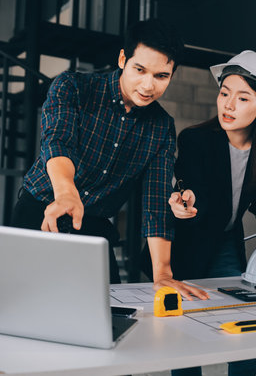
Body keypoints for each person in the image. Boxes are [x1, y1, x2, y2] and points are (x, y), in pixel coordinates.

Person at [11, 18, 208, 300]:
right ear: (122, 59)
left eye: (161, 76)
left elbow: (154, 202)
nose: (148, 85)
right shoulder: (73, 87)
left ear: (172, 75)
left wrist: (162, 273)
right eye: (139, 70)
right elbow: (58, 141)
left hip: (94, 227)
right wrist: (66, 194)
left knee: (108, 311)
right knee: (20, 304)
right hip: (42, 211)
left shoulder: (161, 127)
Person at [168, 50, 256, 376]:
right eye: (224, 93)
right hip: (187, 244)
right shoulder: (196, 139)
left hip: (227, 243)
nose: (228, 105)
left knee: (243, 328)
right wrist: (184, 198)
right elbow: (191, 184)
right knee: (185, 336)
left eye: (242, 98)